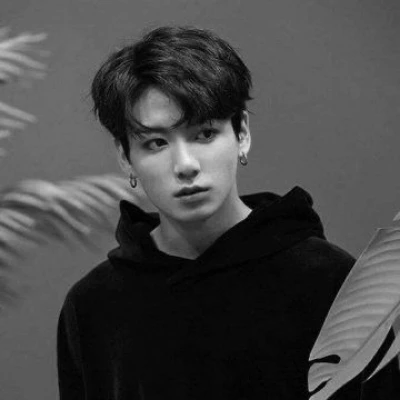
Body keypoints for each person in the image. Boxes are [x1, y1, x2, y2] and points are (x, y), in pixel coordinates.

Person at [56, 26, 400, 399]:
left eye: (204, 134)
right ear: (125, 157)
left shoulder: (328, 280)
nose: (185, 165)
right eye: (156, 143)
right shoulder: (93, 305)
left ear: (242, 133)